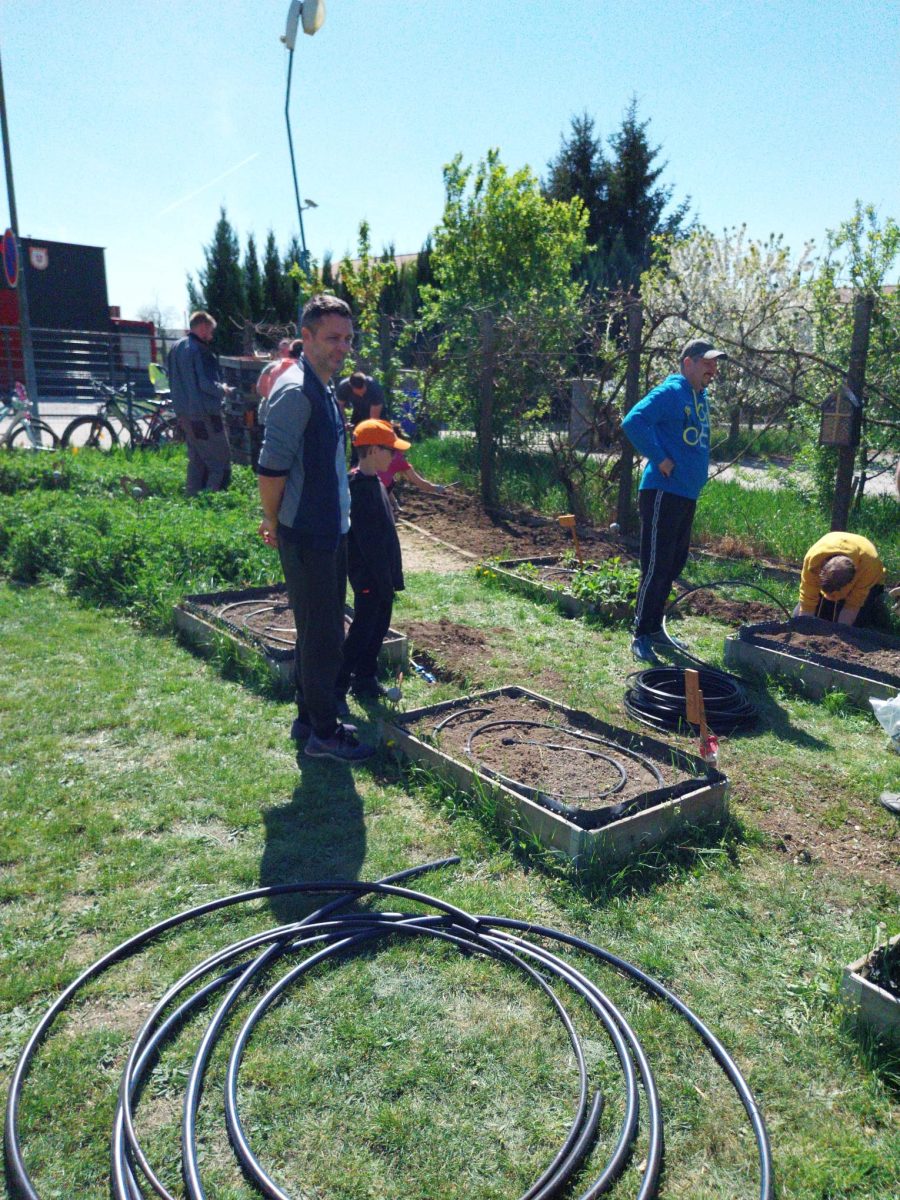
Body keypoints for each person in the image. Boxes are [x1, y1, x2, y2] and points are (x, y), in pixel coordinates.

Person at [256, 294, 375, 763]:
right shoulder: (296, 392)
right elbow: (271, 469)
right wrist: (273, 520)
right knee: (323, 636)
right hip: (309, 533)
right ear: (305, 337)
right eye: (332, 338)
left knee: (317, 630)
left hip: (327, 528)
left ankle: (309, 717)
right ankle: (324, 734)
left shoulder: (322, 386)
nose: (342, 347)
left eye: (347, 338)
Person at [621, 338, 726, 664]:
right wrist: (660, 458)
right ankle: (640, 633)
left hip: (685, 494)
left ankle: (655, 629)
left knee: (674, 564)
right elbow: (633, 421)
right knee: (656, 565)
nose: (713, 369)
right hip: (662, 492)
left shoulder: (700, 397)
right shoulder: (670, 392)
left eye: (715, 364)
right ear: (688, 362)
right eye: (707, 362)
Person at [336, 419, 407, 703]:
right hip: (369, 576)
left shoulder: (375, 481)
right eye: (391, 450)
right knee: (362, 630)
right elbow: (367, 544)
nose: (395, 456)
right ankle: (337, 687)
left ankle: (365, 679)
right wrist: (381, 578)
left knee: (378, 627)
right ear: (374, 450)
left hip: (382, 576)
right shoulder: (357, 487)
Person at [167, 311, 233, 496]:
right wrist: (223, 389)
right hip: (206, 414)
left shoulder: (176, 347)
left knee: (197, 459)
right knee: (220, 461)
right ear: (203, 327)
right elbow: (206, 384)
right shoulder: (201, 350)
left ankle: (192, 497)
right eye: (210, 331)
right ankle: (213, 500)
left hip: (184, 415)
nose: (211, 336)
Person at [793, 532, 886, 627]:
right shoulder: (813, 561)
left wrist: (840, 631)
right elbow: (807, 603)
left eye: (835, 591)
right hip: (831, 549)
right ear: (823, 566)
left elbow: (852, 606)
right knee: (798, 618)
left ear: (851, 581)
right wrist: (804, 627)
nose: (832, 596)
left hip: (869, 585)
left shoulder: (869, 566)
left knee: (858, 625)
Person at [256, 339, 301, 428]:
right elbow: (261, 389)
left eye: (285, 350)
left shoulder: (301, 367)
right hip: (270, 413)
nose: (282, 352)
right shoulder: (271, 367)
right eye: (280, 350)